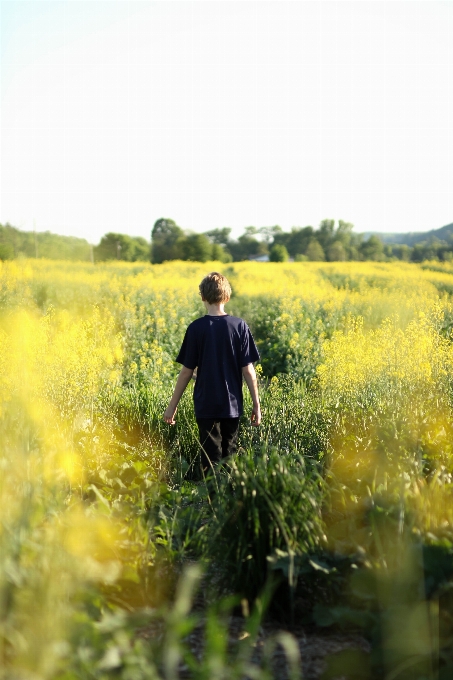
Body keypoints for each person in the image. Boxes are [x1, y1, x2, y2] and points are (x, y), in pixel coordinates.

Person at [163, 271, 261, 472]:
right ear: (227, 296)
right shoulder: (239, 326)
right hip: (232, 404)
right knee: (230, 455)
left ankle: (213, 499)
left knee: (210, 458)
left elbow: (186, 372)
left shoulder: (196, 328)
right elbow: (249, 371)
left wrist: (172, 406)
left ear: (203, 297)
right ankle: (230, 498)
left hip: (205, 404)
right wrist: (256, 405)